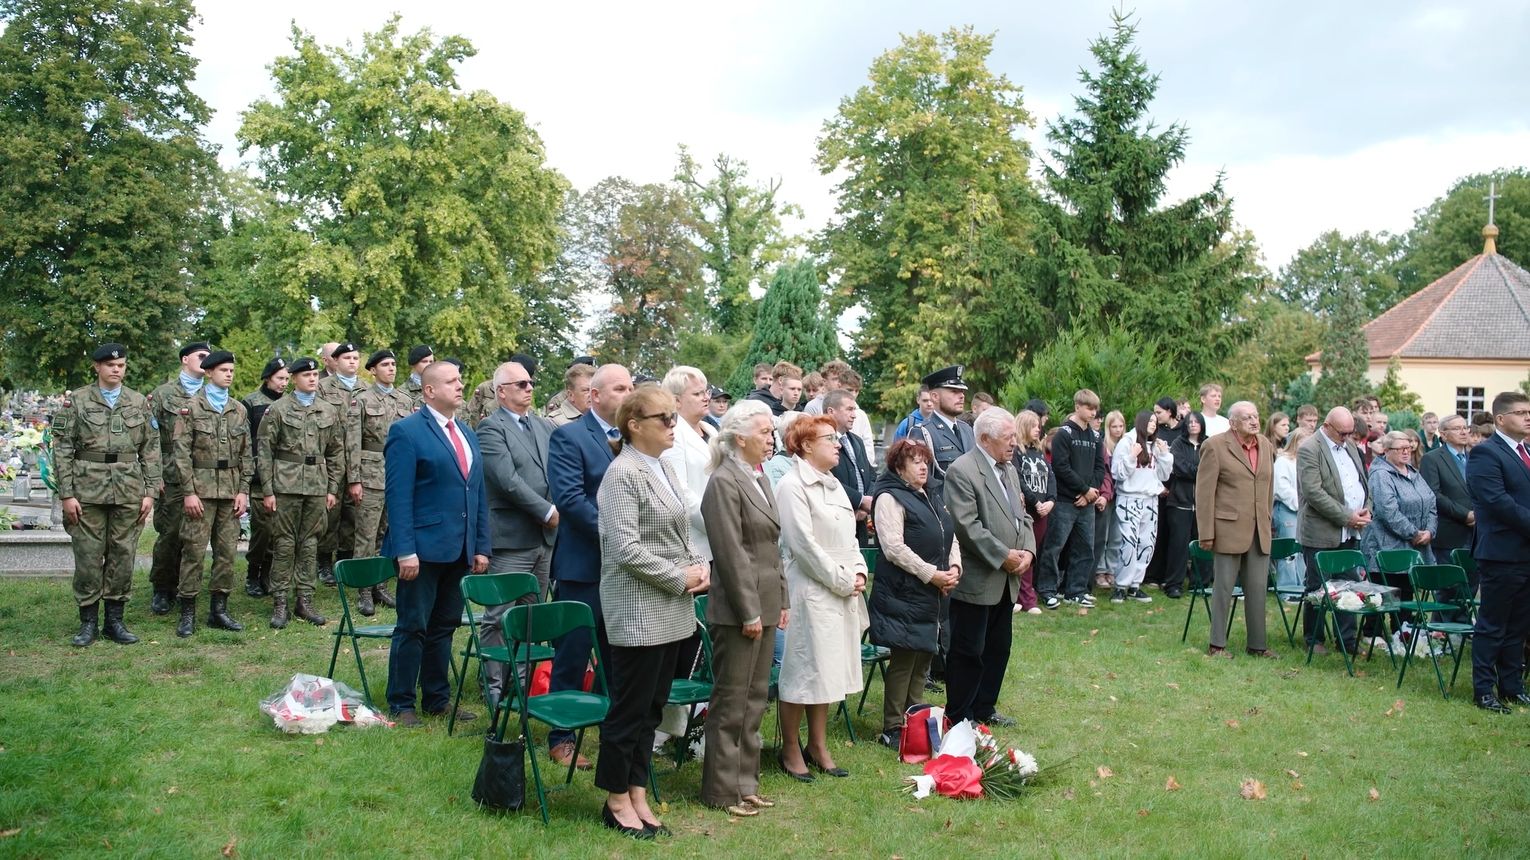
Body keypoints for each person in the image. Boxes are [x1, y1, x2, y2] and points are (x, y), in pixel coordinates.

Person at [592, 385, 706, 838]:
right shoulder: (622, 473)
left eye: (674, 416)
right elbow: (626, 549)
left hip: (671, 608)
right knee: (630, 709)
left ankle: (637, 791)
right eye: (664, 418)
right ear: (634, 425)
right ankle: (615, 799)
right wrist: (681, 576)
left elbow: (679, 532)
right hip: (638, 609)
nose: (673, 425)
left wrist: (698, 566)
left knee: (652, 709)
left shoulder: (664, 468)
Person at [382, 360, 491, 727]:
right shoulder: (406, 431)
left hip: (459, 548)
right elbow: (398, 497)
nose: (460, 386)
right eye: (450, 381)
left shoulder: (467, 433)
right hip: (422, 549)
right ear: (429, 390)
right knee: (413, 625)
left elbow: (477, 493)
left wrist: (481, 546)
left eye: (460, 380)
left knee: (444, 626)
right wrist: (405, 550)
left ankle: (437, 699)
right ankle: (401, 702)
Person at [544, 363, 634, 770]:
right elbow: (570, 499)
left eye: (630, 387)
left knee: (618, 655)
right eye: (619, 388)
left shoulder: (632, 438)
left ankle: (613, 730)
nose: (628, 394)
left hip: (626, 569)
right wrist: (618, 533)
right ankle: (560, 737)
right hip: (585, 565)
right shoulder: (570, 436)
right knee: (574, 652)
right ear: (594, 395)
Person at [699, 400, 785, 817]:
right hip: (738, 608)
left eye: (772, 432)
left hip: (765, 602)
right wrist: (749, 611)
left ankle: (746, 782)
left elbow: (772, 548)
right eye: (765, 432)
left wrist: (781, 600)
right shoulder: (723, 481)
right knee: (732, 699)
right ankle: (721, 789)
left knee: (755, 698)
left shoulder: (758, 476)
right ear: (739, 438)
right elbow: (731, 554)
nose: (771, 439)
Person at [775, 414, 868, 781]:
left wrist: (859, 570)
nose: (838, 444)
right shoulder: (791, 485)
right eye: (829, 438)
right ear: (806, 444)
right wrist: (843, 580)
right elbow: (803, 546)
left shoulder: (834, 483)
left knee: (828, 670)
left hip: (840, 588)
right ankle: (790, 747)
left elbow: (851, 538)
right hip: (812, 589)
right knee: (803, 670)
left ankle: (818, 745)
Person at [53, 343, 158, 646]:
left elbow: (151, 449)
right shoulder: (77, 401)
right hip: (87, 491)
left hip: (128, 490)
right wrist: (67, 494)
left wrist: (150, 492)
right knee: (88, 556)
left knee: (123, 555)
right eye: (110, 365)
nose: (116, 369)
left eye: (121, 365)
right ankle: (88, 622)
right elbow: (62, 449)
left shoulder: (138, 402)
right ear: (97, 367)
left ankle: (115, 621)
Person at [475, 359, 559, 704]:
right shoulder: (490, 428)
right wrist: (546, 511)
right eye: (521, 384)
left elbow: (556, 471)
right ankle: (493, 686)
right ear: (501, 392)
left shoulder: (543, 425)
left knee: (530, 617)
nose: (529, 388)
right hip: (511, 538)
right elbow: (507, 480)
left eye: (530, 383)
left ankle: (522, 686)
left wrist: (558, 507)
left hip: (544, 539)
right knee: (499, 616)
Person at [943, 407, 1034, 725]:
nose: (1014, 443)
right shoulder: (962, 471)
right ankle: (960, 714)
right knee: (969, 650)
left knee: (998, 648)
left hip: (1006, 581)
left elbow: (1022, 515)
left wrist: (1029, 551)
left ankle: (984, 709)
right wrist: (1003, 555)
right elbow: (967, 526)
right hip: (978, 579)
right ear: (984, 439)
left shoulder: (1009, 469)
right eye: (1007, 437)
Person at [867, 440, 960, 746]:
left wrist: (954, 567)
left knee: (923, 656)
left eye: (925, 461)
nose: (923, 467)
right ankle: (893, 727)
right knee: (905, 658)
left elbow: (949, 534)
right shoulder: (890, 497)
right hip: (903, 592)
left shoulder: (931, 494)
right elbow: (894, 548)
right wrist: (931, 574)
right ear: (899, 467)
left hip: (933, 592)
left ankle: (914, 719)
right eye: (915, 462)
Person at [256, 357, 345, 629]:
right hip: (286, 485)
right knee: (284, 543)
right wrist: (267, 490)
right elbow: (265, 451)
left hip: (317, 486)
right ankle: (280, 601)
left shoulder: (327, 410)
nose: (312, 379)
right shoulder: (278, 409)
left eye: (315, 374)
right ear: (294, 378)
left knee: (310, 543)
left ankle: (304, 599)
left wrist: (332, 488)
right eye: (306, 375)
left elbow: (336, 452)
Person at [171, 350, 253, 637]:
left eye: (231, 370)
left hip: (230, 491)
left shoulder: (238, 409)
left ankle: (219, 610)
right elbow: (181, 454)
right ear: (209, 373)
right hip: (201, 491)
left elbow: (247, 454)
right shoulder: (191, 408)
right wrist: (188, 492)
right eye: (223, 370)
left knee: (227, 552)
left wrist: (243, 490)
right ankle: (187, 611)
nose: (229, 375)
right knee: (193, 551)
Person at [1464, 391, 1530, 713]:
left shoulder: (1525, 451)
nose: (1528, 418)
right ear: (1501, 419)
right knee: (1493, 625)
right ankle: (1483, 691)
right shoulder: (1485, 453)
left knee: (1518, 626)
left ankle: (1512, 687)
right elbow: (1497, 502)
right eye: (1521, 413)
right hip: (1501, 553)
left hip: (1526, 553)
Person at [1195, 401, 1277, 658]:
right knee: (1223, 590)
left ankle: (1258, 646)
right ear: (1232, 423)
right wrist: (1206, 533)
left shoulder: (1265, 445)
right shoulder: (1215, 446)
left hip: (1259, 530)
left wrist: (1267, 519)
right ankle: (1217, 645)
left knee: (1258, 589)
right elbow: (1204, 493)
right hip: (1227, 529)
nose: (1254, 421)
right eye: (1247, 417)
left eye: (1256, 416)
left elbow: (1268, 487)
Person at [1296, 407, 1373, 656]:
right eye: (1343, 433)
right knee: (1317, 587)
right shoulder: (1310, 449)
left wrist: (1366, 509)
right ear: (1327, 426)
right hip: (1321, 531)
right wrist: (1347, 516)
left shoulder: (1350, 446)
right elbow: (1313, 492)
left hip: (1351, 531)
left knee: (1349, 585)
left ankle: (1346, 639)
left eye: (1351, 433)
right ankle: (1314, 638)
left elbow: (1363, 482)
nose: (1347, 437)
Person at [147, 340, 210, 616]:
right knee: (170, 534)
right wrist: (154, 474)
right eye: (201, 356)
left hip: (204, 475)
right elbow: (149, 438)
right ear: (185, 359)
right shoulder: (163, 395)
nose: (206, 360)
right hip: (171, 474)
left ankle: (189, 588)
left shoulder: (213, 393)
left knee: (195, 537)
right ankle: (163, 587)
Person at [351, 349, 412, 614]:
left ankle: (381, 585)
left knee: (387, 535)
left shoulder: (405, 400)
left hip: (397, 474)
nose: (391, 368)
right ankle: (364, 590)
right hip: (370, 473)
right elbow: (352, 442)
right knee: (366, 535)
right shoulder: (362, 400)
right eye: (385, 364)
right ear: (373, 370)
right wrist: (354, 479)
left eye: (394, 364)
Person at [1360, 430, 1437, 636]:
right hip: (1385, 544)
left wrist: (1429, 531)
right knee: (1382, 593)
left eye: (1408, 447)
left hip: (1413, 545)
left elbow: (1431, 502)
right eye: (1400, 448)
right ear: (1386, 450)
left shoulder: (1413, 472)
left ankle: (1402, 633)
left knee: (1406, 592)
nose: (1406, 452)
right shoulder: (1380, 474)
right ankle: (1373, 634)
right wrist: (1414, 533)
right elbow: (1388, 511)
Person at [1037, 390, 1104, 609]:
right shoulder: (1064, 434)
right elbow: (1061, 467)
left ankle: (1075, 591)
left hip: (1087, 503)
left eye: (1095, 409)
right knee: (1054, 547)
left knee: (1085, 548)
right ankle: (1047, 590)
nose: (1093, 413)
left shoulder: (1095, 437)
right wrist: (1084, 490)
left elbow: (1100, 467)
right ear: (1077, 406)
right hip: (1065, 501)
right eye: (1089, 408)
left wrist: (1090, 493)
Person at [315, 341, 366, 587]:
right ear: (336, 361)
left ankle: (345, 562)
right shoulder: (322, 387)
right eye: (347, 358)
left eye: (355, 358)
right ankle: (324, 562)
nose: (352, 362)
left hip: (359, 460)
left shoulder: (367, 389)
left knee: (353, 513)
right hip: (332, 459)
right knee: (330, 513)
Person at [1110, 410, 1172, 604]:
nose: (1153, 424)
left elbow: (1164, 475)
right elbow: (1118, 473)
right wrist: (1131, 456)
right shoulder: (1127, 442)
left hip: (1150, 500)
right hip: (1129, 498)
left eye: (1155, 422)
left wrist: (1165, 455)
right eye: (1150, 421)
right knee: (1129, 542)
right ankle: (1121, 586)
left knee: (1147, 543)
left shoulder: (1155, 445)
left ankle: (1135, 585)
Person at [241, 358, 289, 597]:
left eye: (287, 379)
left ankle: (268, 575)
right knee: (262, 530)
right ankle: (253, 573)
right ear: (268, 377)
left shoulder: (290, 404)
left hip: (286, 476)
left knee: (278, 531)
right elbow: (246, 441)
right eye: (280, 378)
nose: (284, 383)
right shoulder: (251, 402)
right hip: (261, 476)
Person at [1420, 414, 1475, 616]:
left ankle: (1463, 626)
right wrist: (1465, 515)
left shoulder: (1474, 458)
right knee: (1448, 587)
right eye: (1457, 428)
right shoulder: (1432, 459)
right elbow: (1433, 494)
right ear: (1443, 434)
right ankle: (1442, 628)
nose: (1463, 432)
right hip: (1450, 531)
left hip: (1476, 532)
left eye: (1465, 427)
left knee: (1470, 585)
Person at [661, 367, 717, 564]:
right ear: (676, 401)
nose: (706, 398)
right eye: (697, 394)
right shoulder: (673, 435)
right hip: (697, 542)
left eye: (706, 392)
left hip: (722, 535)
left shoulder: (711, 430)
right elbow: (679, 491)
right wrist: (716, 524)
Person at [912, 366, 975, 503]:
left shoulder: (968, 430)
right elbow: (920, 483)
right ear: (935, 396)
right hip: (943, 509)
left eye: (962, 391)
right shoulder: (922, 432)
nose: (962, 396)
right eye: (954, 391)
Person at [1160, 411, 1206, 599]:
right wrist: (1200, 472)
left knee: (1203, 544)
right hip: (1180, 503)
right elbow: (1179, 467)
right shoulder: (1178, 444)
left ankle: (1200, 584)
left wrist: (1197, 472)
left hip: (1203, 504)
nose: (1193, 424)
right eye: (1190, 422)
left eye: (1196, 422)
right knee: (1178, 546)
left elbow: (1213, 468)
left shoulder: (1208, 444)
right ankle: (1173, 584)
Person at [1013, 410, 1053, 615]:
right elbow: (1018, 479)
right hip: (1026, 509)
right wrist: (1035, 502)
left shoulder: (1039, 451)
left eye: (1039, 425)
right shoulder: (1016, 452)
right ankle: (1024, 598)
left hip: (1042, 511)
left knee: (1033, 553)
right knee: (1023, 552)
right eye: (1034, 425)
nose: (1038, 429)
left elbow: (1051, 477)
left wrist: (1051, 501)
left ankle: (1027, 596)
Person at [824, 389, 876, 545]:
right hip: (835, 522)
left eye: (855, 410)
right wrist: (859, 500)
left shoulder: (857, 441)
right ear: (831, 411)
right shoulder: (822, 442)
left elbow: (871, 476)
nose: (854, 415)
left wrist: (866, 503)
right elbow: (824, 478)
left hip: (860, 524)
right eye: (849, 409)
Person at [1272, 426, 1312, 595]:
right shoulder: (1283, 461)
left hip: (1305, 511)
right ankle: (1287, 589)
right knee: (1288, 551)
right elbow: (1281, 488)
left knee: (1302, 550)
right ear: (1295, 442)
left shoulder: (1307, 461)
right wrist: (1299, 503)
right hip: (1287, 509)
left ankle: (1301, 587)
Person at [1093, 410, 1125, 591]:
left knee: (1116, 536)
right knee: (1102, 536)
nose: (1118, 430)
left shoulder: (1127, 444)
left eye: (1121, 426)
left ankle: (1111, 569)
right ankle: (1100, 570)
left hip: (1121, 496)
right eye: (1114, 426)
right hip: (1107, 496)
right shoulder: (1103, 445)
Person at [546, 359, 596, 428]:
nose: (592, 394)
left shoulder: (601, 417)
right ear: (570, 395)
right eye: (586, 390)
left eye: (594, 390)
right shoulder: (554, 423)